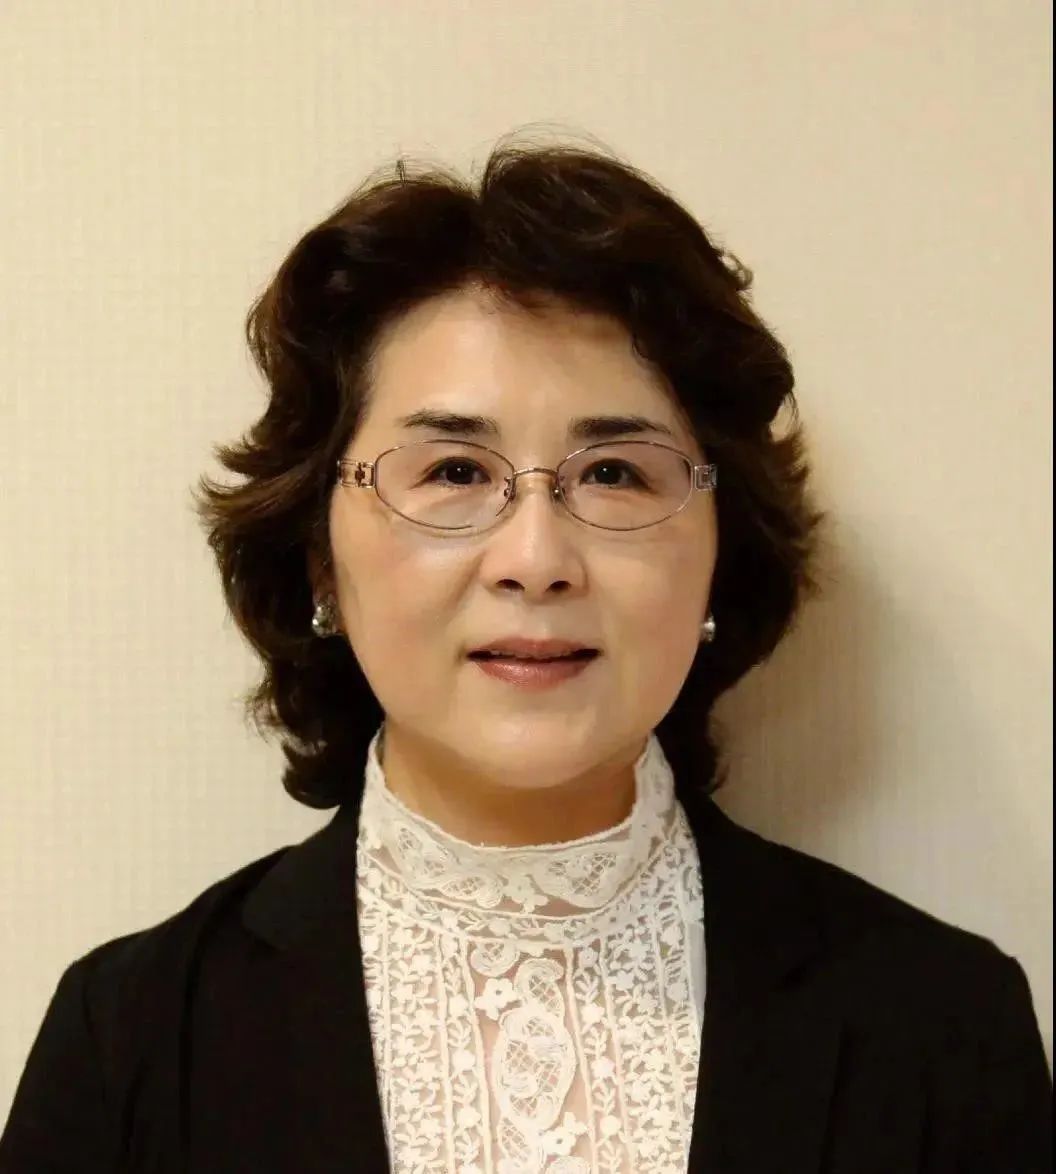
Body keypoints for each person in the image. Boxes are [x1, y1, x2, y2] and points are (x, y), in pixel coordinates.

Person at [1, 136, 1050, 1174]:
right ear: (320, 555)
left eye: (615, 474)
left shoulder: (943, 1027)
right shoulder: (128, 1040)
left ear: (720, 555)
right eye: (455, 470)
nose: (537, 560)